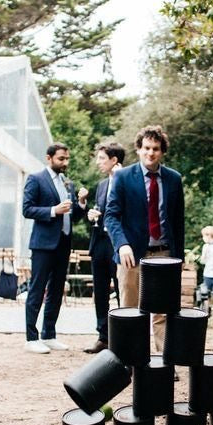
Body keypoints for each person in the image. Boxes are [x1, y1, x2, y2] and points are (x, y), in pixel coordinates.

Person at [104, 124, 184, 352]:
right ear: (139, 149)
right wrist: (122, 245)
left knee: (163, 311)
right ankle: (131, 359)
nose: (151, 153)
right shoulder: (122, 177)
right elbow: (111, 215)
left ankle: (164, 360)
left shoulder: (173, 179)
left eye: (156, 149)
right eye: (147, 148)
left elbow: (178, 221)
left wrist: (179, 257)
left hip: (164, 254)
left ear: (162, 151)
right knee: (130, 311)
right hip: (131, 255)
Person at [23, 142, 88, 354]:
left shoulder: (67, 183)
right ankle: (31, 338)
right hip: (43, 244)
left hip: (63, 244)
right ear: (49, 158)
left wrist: (81, 204)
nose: (65, 162)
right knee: (37, 288)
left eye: (67, 158)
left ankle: (49, 334)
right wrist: (53, 210)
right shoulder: (35, 179)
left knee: (57, 290)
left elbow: (72, 216)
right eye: (61, 159)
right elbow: (27, 209)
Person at [84, 141, 124, 354]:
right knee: (100, 292)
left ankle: (123, 340)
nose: (98, 162)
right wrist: (92, 215)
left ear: (114, 160)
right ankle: (103, 337)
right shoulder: (101, 185)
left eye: (102, 158)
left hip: (119, 246)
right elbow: (101, 210)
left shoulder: (127, 181)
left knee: (122, 292)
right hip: (99, 243)